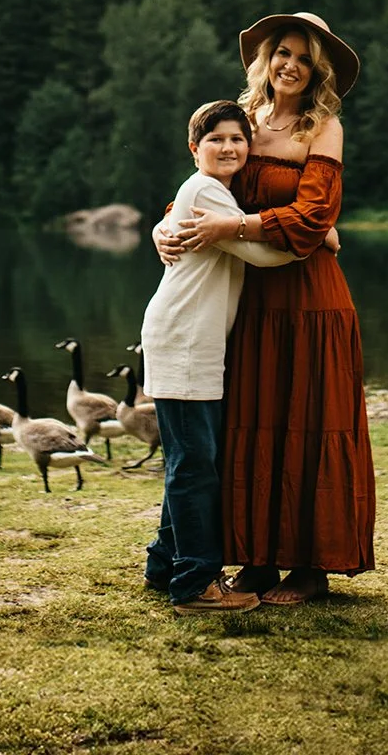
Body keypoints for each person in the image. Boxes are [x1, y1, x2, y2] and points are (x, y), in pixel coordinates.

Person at [157, 11, 373, 605]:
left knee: (308, 424)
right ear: (265, 59)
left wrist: (242, 223)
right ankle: (254, 559)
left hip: (309, 301)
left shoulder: (321, 127)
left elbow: (312, 219)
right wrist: (161, 227)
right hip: (246, 300)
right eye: (283, 53)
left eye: (305, 59)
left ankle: (310, 567)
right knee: (250, 426)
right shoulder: (242, 120)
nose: (291, 66)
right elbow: (200, 185)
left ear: (318, 69)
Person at [140, 100, 300, 613]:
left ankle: (164, 566)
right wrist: (315, 238)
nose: (229, 147)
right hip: (185, 342)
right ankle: (194, 584)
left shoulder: (215, 192)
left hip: (190, 341)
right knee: (194, 467)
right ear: (194, 150)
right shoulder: (206, 189)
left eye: (237, 138)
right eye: (216, 140)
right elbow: (262, 251)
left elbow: (235, 234)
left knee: (188, 461)